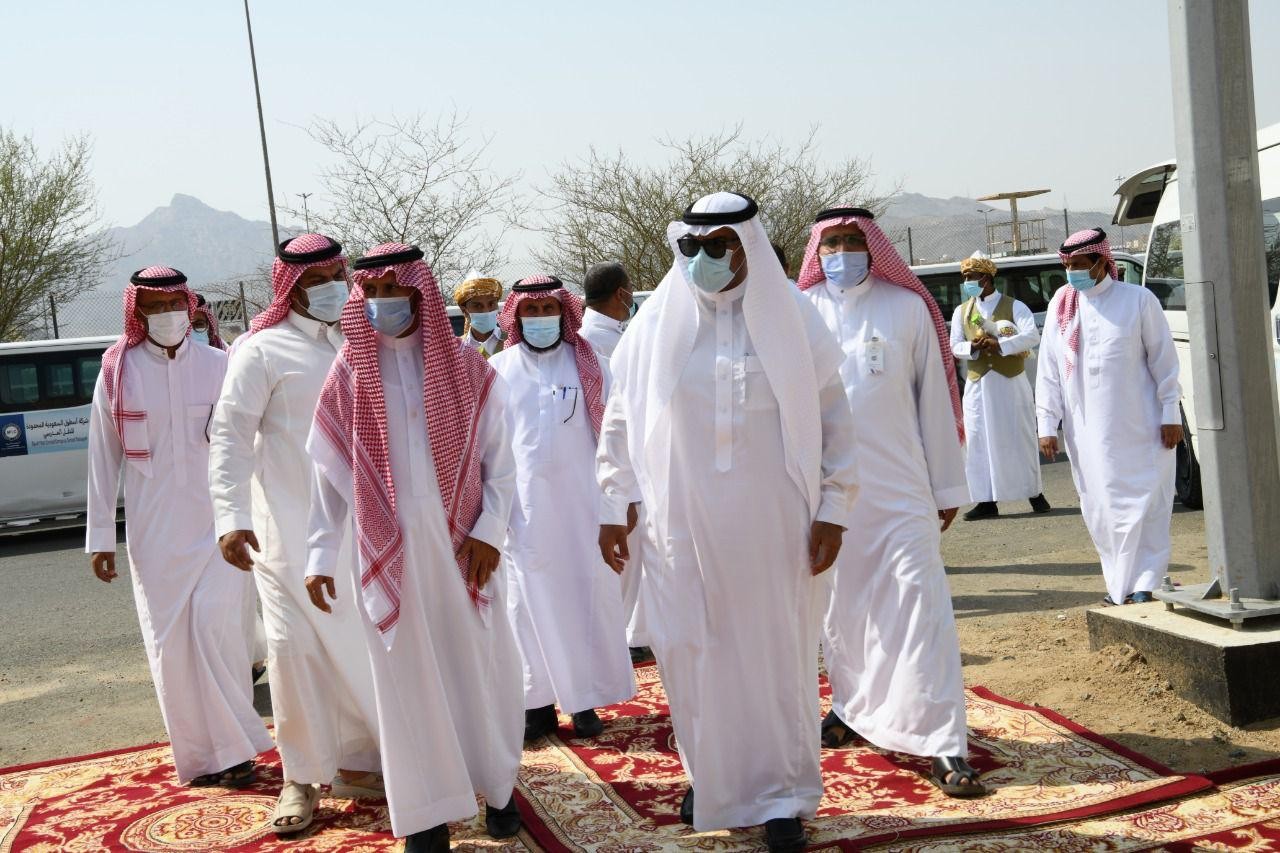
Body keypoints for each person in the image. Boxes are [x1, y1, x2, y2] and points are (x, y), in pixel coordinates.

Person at [597, 192, 858, 852]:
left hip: (776, 526)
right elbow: (620, 418)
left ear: (750, 248)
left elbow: (836, 423)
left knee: (776, 659)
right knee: (691, 651)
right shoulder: (656, 323)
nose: (706, 259)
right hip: (680, 525)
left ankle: (782, 796)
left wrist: (834, 509)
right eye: (693, 247)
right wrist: (612, 501)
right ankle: (709, 777)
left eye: (721, 246)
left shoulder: (794, 318)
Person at [305, 243, 523, 853]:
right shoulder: (350, 372)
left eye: (391, 291)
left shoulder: (465, 365)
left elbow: (501, 462)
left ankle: (498, 789)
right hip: (386, 552)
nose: (381, 303)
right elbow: (329, 477)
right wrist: (319, 554)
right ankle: (426, 814)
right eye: (370, 293)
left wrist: (490, 530)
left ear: (419, 292)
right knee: (406, 683)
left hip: (462, 550)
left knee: (479, 669)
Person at [797, 207, 984, 798]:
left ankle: (943, 739)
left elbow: (935, 400)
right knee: (843, 612)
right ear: (817, 250)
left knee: (921, 607)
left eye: (853, 240)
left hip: (903, 491)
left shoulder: (906, 308)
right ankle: (852, 707)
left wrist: (946, 487)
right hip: (829, 497)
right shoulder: (800, 312)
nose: (842, 252)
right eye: (831, 242)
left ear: (872, 245)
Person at [208, 234, 382, 834]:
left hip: (361, 533)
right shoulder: (261, 349)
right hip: (284, 537)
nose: (331, 288)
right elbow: (230, 435)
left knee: (364, 649)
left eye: (337, 276)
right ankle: (299, 778)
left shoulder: (364, 340)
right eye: (315, 280)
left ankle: (362, 762)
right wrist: (231, 518)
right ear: (290, 287)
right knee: (291, 653)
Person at [86, 266, 272, 787]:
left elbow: (249, 443)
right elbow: (102, 456)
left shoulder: (220, 364)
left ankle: (236, 752)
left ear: (189, 307)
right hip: (154, 532)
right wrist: (100, 537)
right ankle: (202, 758)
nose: (167, 315)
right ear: (137, 312)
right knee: (171, 647)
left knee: (220, 631)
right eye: (155, 306)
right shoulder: (117, 372)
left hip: (222, 527)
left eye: (174, 304)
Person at [490, 274, 636, 741]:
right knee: (524, 607)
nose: (540, 318)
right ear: (516, 316)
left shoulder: (592, 365)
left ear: (563, 312)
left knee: (583, 601)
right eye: (530, 311)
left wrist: (624, 500)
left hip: (584, 508)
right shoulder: (497, 369)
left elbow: (619, 438)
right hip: (521, 512)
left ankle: (583, 700)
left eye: (547, 309)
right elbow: (486, 446)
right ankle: (536, 704)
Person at [1036, 228, 1181, 605]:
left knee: (1145, 505)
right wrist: (1046, 425)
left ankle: (1145, 582)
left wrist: (1171, 413)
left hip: (1141, 426)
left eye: (1079, 264)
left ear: (1102, 262)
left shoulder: (1138, 300)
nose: (1072, 272)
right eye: (1067, 265)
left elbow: (1165, 363)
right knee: (1101, 510)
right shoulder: (1062, 306)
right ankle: (1119, 585)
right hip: (1087, 432)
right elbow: (1049, 371)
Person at [577, 260, 650, 659]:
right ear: (622, 293)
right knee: (623, 554)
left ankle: (629, 633)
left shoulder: (608, 335)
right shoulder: (601, 342)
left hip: (614, 464)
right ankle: (625, 636)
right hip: (616, 465)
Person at [949, 251, 1050, 520]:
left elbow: (1031, 336)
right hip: (978, 386)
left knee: (1020, 436)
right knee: (979, 441)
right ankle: (986, 501)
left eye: (972, 276)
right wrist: (972, 347)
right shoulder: (962, 311)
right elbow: (955, 345)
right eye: (965, 277)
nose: (968, 282)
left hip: (1010, 383)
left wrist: (1001, 345)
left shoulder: (1015, 306)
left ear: (987, 277)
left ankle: (1034, 493)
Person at [453, 272, 504, 358]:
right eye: (478, 306)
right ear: (464, 311)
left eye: (491, 304)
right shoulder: (457, 348)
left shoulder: (511, 341)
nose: (486, 311)